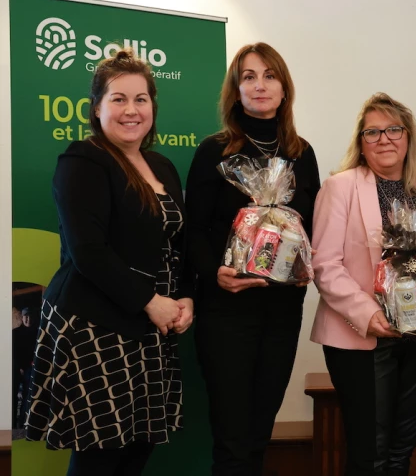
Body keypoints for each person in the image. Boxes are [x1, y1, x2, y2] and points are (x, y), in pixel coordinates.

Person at [24, 49, 193, 476]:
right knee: (100, 457)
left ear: (153, 106)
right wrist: (151, 302)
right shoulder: (83, 161)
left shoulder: (162, 165)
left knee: (138, 449)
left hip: (153, 330)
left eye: (141, 99)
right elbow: (88, 252)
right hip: (96, 328)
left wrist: (184, 297)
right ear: (96, 107)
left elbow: (175, 244)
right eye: (118, 99)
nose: (131, 110)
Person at [185, 42, 320, 475]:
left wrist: (305, 268)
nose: (259, 85)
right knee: (231, 435)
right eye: (248, 76)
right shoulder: (215, 151)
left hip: (282, 312)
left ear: (284, 88)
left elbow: (312, 226)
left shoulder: (302, 153)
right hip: (225, 311)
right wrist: (214, 274)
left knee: (261, 429)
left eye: (269, 75)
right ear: (235, 89)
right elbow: (193, 230)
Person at [310, 93, 416, 476]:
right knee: (369, 451)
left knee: (402, 447)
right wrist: (369, 314)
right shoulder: (340, 187)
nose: (384, 139)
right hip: (362, 337)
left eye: (393, 129)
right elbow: (324, 265)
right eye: (372, 132)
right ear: (360, 142)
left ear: (408, 137)